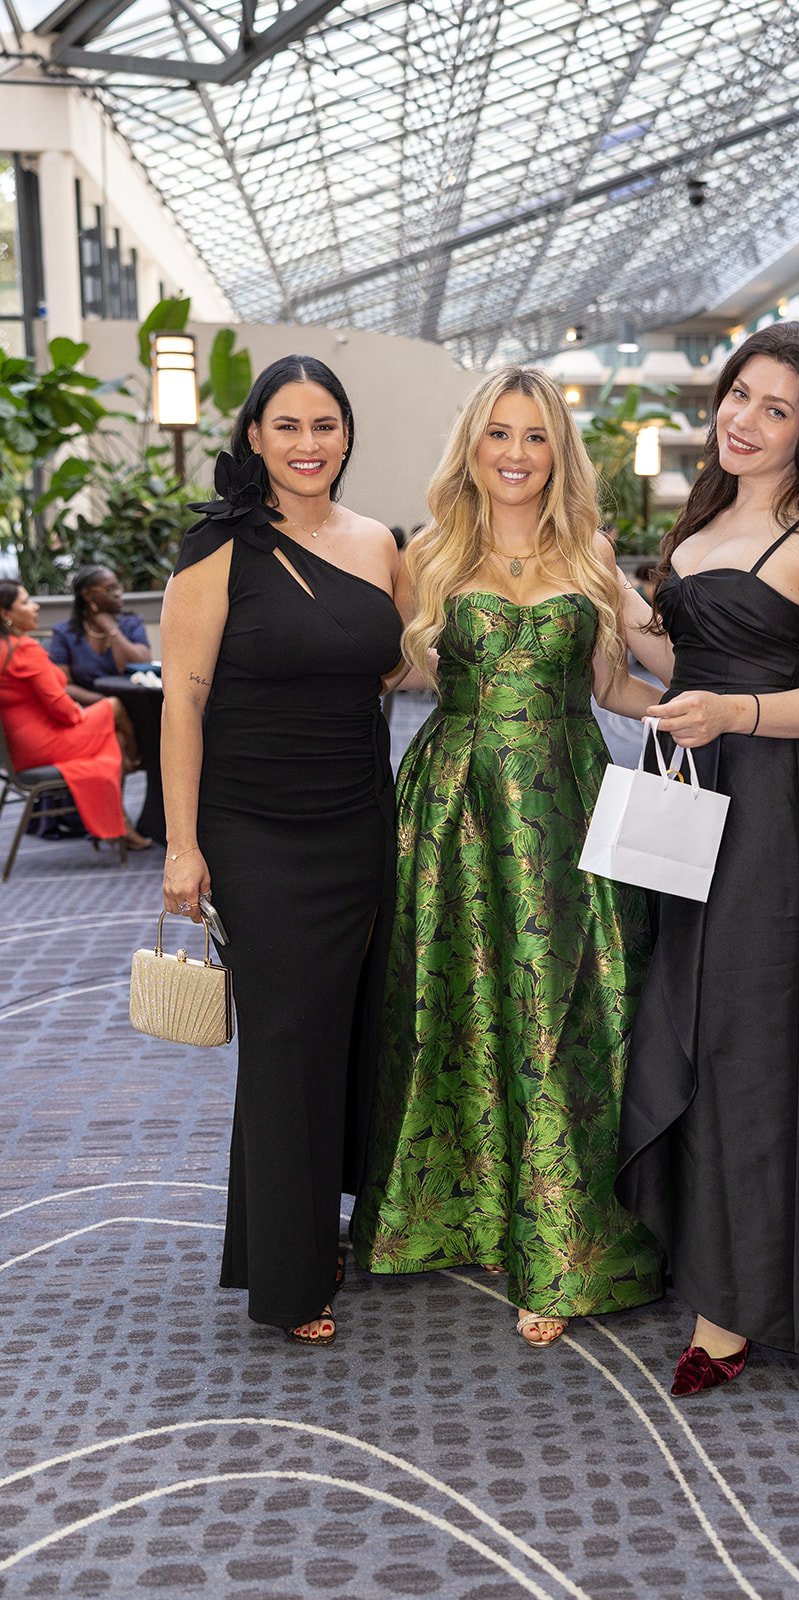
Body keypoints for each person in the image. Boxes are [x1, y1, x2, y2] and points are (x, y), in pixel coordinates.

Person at [615, 322, 799, 1396]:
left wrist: (734, 707)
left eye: (772, 407)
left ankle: (731, 1307)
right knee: (673, 1014)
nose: (740, 419)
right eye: (736, 395)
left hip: (763, 805)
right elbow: (676, 652)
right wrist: (614, 623)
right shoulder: (703, 519)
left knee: (743, 1037)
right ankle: (695, 1254)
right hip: (682, 792)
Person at [350, 366, 671, 1347]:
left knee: (560, 1011)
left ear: (557, 451)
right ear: (473, 446)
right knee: (454, 1000)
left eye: (535, 437)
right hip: (453, 804)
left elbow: (623, 683)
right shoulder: (430, 550)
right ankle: (464, 1213)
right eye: (499, 434)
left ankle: (558, 1243)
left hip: (568, 801)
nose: (517, 455)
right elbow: (388, 666)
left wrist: (721, 697)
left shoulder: (592, 553)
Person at [160, 355, 402, 1349]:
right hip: (255, 828)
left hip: (359, 817)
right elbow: (182, 698)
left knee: (350, 1032)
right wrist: (180, 845)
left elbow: (392, 661)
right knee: (287, 1041)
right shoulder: (216, 547)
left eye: (327, 425)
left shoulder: (378, 541)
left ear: (347, 436)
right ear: (252, 435)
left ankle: (311, 1232)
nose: (310, 444)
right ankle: (290, 1275)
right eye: (289, 425)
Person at [0, 581, 151, 849]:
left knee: (112, 735)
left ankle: (122, 823)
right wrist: (81, 717)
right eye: (25, 602)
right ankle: (136, 760)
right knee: (113, 707)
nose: (34, 606)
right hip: (45, 744)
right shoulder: (23, 650)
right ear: (6, 614)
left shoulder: (4, 649)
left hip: (19, 750)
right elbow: (60, 707)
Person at [48, 565, 151, 702]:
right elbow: (62, 684)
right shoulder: (64, 633)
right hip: (88, 707)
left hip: (136, 704)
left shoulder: (132, 624)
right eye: (110, 589)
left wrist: (111, 629)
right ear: (87, 595)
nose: (118, 593)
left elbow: (143, 665)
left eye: (118, 587)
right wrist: (104, 703)